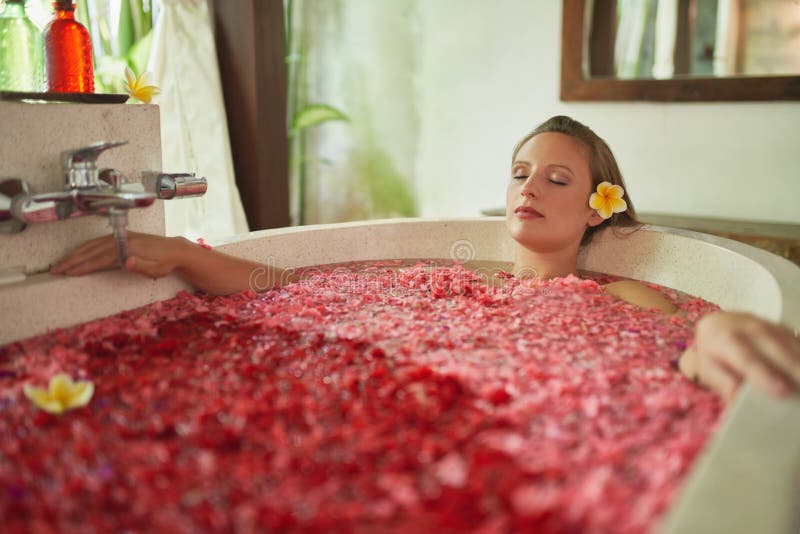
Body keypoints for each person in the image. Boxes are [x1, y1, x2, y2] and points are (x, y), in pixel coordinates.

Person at [51, 115, 800, 404]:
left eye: (557, 178)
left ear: (598, 204)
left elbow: (684, 354)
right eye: (519, 172)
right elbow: (297, 292)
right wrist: (183, 252)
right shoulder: (454, 283)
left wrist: (723, 334)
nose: (529, 186)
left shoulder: (623, 295)